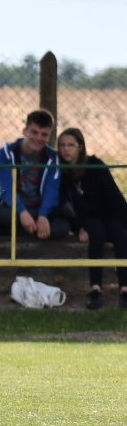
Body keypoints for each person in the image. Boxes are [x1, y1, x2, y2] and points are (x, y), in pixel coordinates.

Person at [57, 128, 127, 309]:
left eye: (71, 145)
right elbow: (65, 206)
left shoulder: (96, 166)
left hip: (111, 214)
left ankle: (124, 290)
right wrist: (78, 227)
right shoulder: (61, 173)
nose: (66, 150)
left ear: (80, 147)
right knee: (95, 233)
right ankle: (95, 290)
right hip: (87, 220)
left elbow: (117, 201)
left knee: (119, 235)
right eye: (62, 145)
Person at [0, 109, 70, 240]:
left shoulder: (53, 158)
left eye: (44, 134)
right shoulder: (5, 153)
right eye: (34, 132)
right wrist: (22, 212)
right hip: (14, 211)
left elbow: (52, 190)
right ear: (25, 131)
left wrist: (43, 216)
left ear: (49, 136)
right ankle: (36, 233)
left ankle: (14, 232)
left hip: (39, 211)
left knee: (64, 225)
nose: (39, 138)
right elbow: (6, 189)